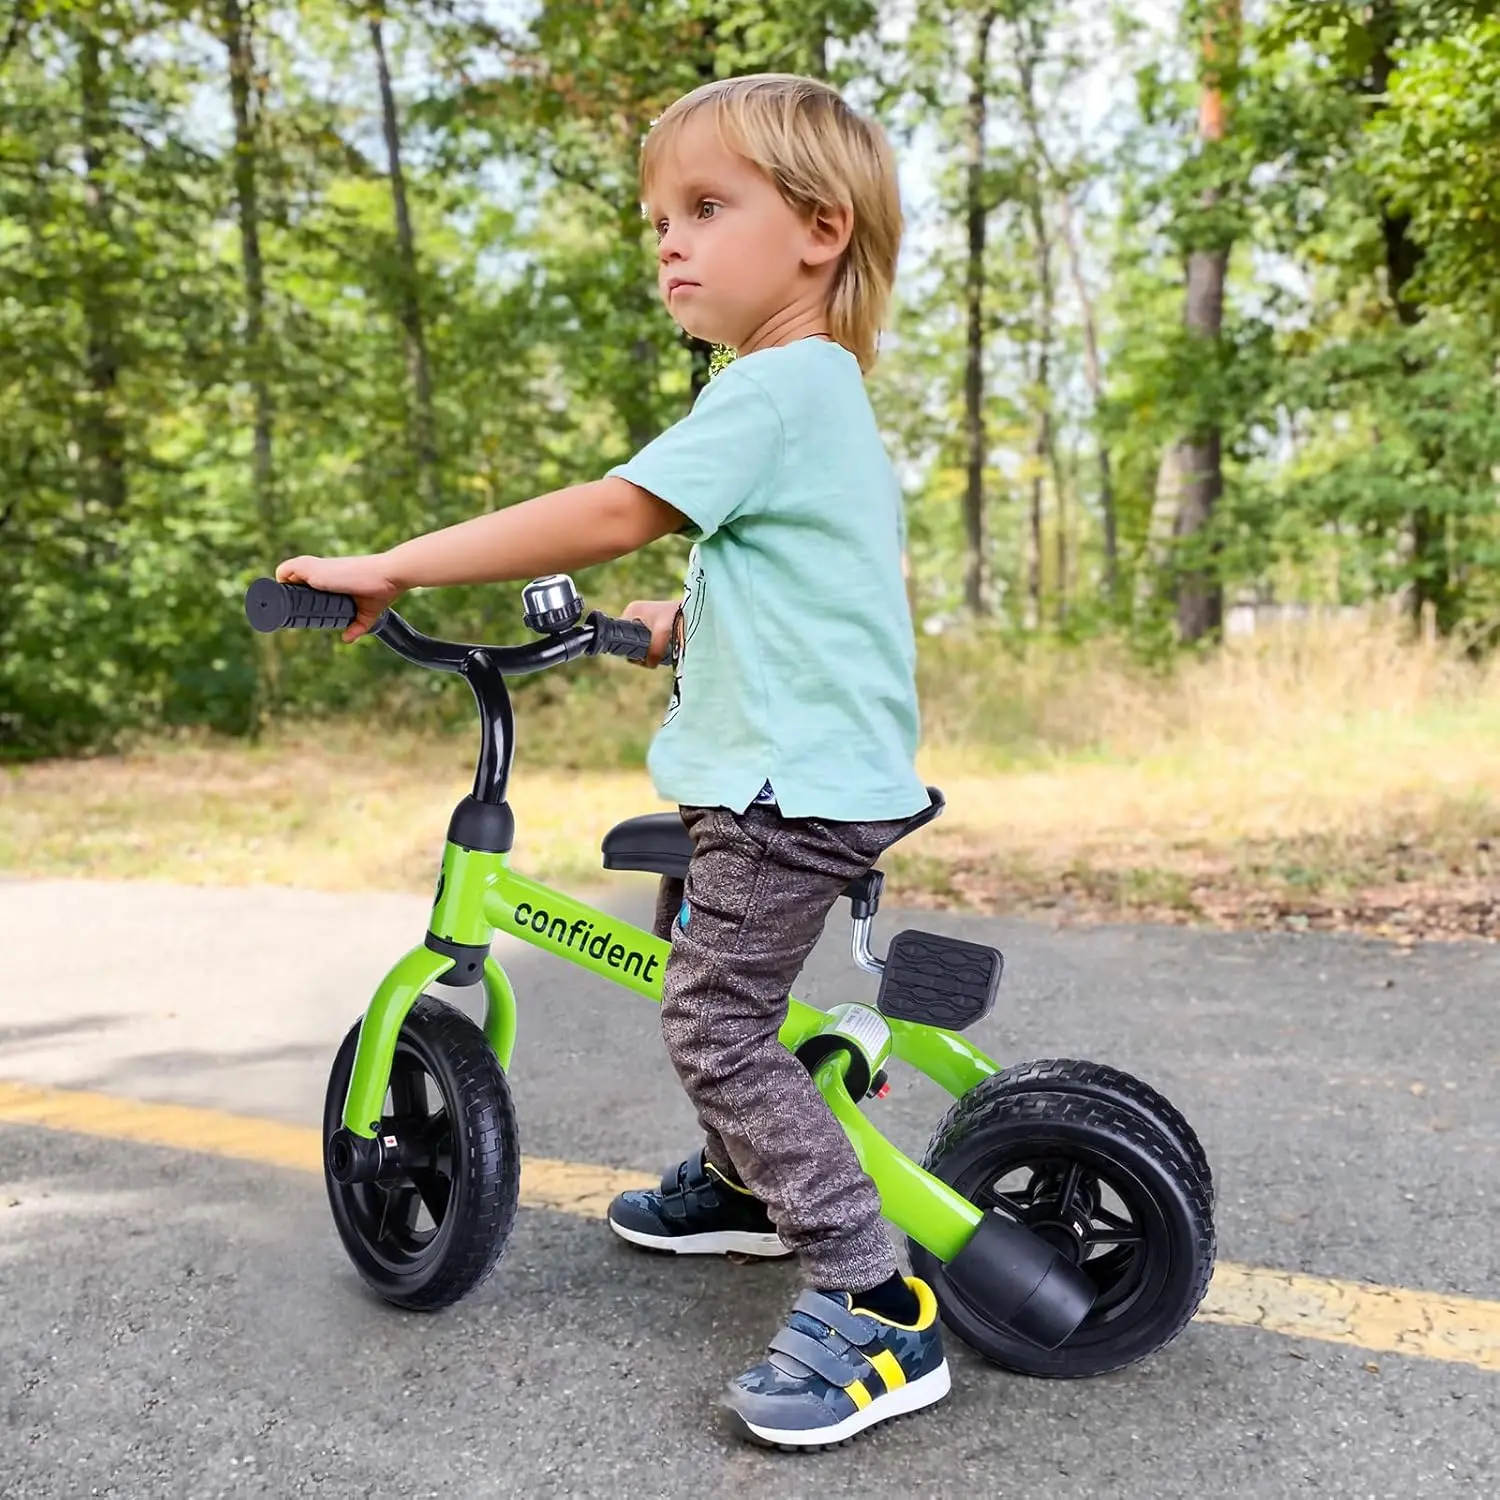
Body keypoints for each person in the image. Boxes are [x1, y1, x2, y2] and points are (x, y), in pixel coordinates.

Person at [275, 72, 948, 1448]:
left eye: (706, 207)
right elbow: (805, 589)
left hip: (786, 797)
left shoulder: (777, 385)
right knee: (692, 948)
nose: (669, 241)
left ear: (818, 229)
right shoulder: (813, 397)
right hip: (779, 776)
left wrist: (392, 566)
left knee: (716, 1024)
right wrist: (671, 629)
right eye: (659, 218)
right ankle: (741, 1182)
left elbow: (611, 509)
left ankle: (875, 1304)